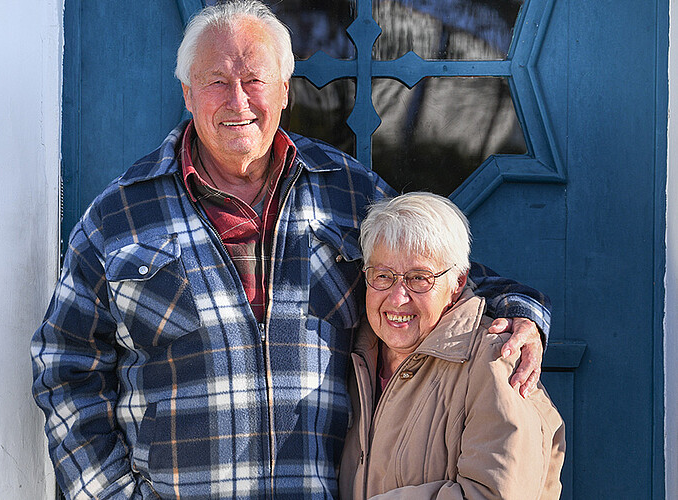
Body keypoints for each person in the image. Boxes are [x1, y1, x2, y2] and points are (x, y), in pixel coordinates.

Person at [31, 1, 551, 498]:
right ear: (188, 93)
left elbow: (438, 278)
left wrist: (522, 315)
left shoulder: (347, 192)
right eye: (217, 82)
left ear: (284, 90)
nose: (238, 101)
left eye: (255, 80)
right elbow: (64, 364)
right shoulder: (120, 214)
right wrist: (112, 494)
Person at [338, 192, 565, 500]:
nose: (397, 298)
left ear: (458, 283)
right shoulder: (355, 357)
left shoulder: (496, 361)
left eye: (419, 278)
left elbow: (494, 494)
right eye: (383, 276)